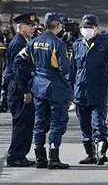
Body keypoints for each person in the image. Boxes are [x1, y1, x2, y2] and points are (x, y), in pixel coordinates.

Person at [21, 12, 73, 169]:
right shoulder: (58, 43)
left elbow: (21, 59)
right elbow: (65, 68)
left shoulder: (34, 42)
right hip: (55, 86)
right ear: (57, 26)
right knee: (57, 122)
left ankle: (40, 157)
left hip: (38, 86)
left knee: (40, 122)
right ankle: (54, 157)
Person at [70, 14, 108, 165]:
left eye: (90, 27)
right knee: (84, 124)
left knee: (99, 123)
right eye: (84, 27)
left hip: (99, 90)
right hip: (81, 91)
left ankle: (101, 152)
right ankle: (90, 154)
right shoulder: (77, 45)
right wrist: (70, 89)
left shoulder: (107, 44)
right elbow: (73, 69)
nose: (87, 30)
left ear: (98, 28)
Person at [5, 13, 39, 167]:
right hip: (19, 89)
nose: (33, 28)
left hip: (23, 87)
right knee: (22, 123)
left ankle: (20, 155)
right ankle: (15, 156)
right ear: (20, 27)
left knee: (27, 123)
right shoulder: (18, 43)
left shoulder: (25, 41)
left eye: (33, 26)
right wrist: (25, 90)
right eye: (30, 26)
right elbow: (18, 70)